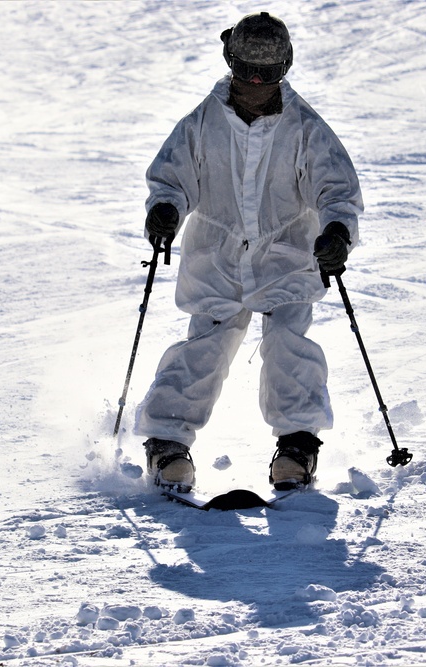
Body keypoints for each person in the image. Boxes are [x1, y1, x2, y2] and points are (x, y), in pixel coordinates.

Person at [134, 12, 363, 492]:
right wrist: (166, 210)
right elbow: (172, 177)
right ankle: (167, 442)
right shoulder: (201, 123)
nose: (256, 85)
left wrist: (337, 231)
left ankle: (298, 444)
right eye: (247, 73)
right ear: (230, 62)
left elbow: (335, 189)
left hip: (286, 250)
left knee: (287, 338)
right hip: (216, 252)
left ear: (285, 68)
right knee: (209, 340)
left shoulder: (305, 128)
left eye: (267, 74)